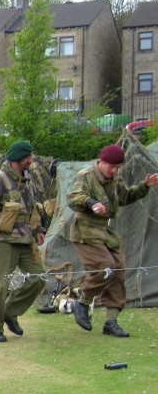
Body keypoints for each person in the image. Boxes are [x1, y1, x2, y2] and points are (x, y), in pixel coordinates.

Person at [65, 144, 158, 336]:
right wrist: (91, 203)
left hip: (105, 232)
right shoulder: (86, 176)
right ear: (102, 161)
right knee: (106, 266)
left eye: (117, 167)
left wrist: (144, 186)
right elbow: (73, 197)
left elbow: (125, 197)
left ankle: (111, 321)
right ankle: (81, 302)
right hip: (85, 231)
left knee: (118, 270)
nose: (114, 171)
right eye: (112, 167)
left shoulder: (114, 180)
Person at [0, 140, 45, 343]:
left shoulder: (27, 179)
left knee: (38, 277)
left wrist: (39, 228)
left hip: (25, 238)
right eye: (27, 157)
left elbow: (32, 207)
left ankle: (9, 312)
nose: (30, 161)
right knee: (0, 285)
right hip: (3, 239)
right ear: (17, 159)